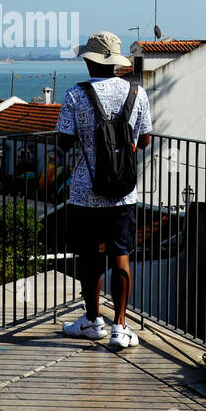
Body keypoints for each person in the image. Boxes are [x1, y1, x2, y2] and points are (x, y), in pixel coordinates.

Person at [56, 31, 152, 350]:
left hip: (85, 191)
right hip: (123, 191)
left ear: (89, 61)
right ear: (116, 63)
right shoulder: (137, 93)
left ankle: (93, 320)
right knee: (120, 256)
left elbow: (65, 141)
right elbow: (144, 138)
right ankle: (120, 326)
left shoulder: (75, 95)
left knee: (89, 258)